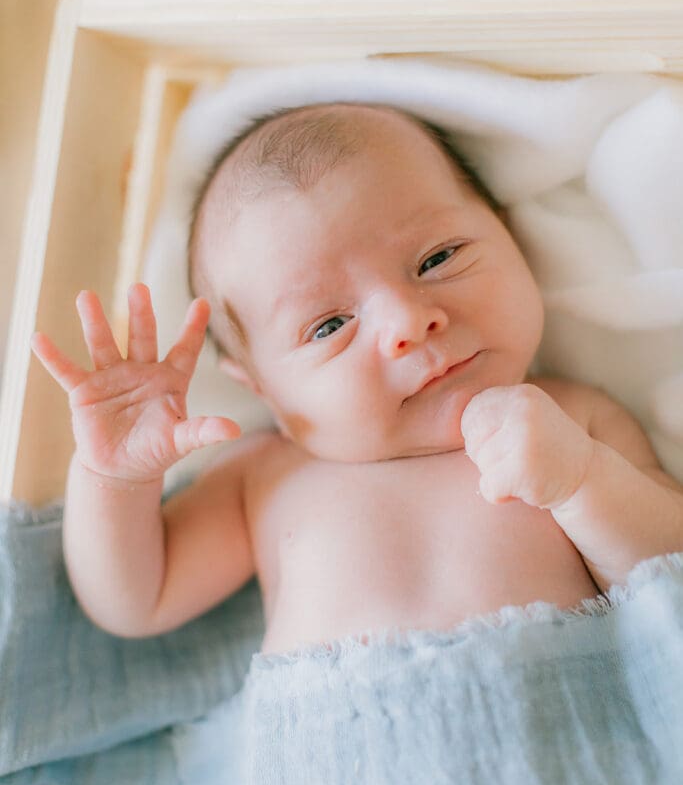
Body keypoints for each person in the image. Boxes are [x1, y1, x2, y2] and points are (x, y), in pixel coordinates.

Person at [31, 103, 683, 655]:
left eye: (436, 258)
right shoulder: (264, 474)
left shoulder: (573, 422)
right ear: (263, 389)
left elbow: (667, 572)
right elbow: (135, 602)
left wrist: (580, 482)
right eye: (327, 326)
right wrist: (114, 480)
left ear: (510, 237)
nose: (406, 320)